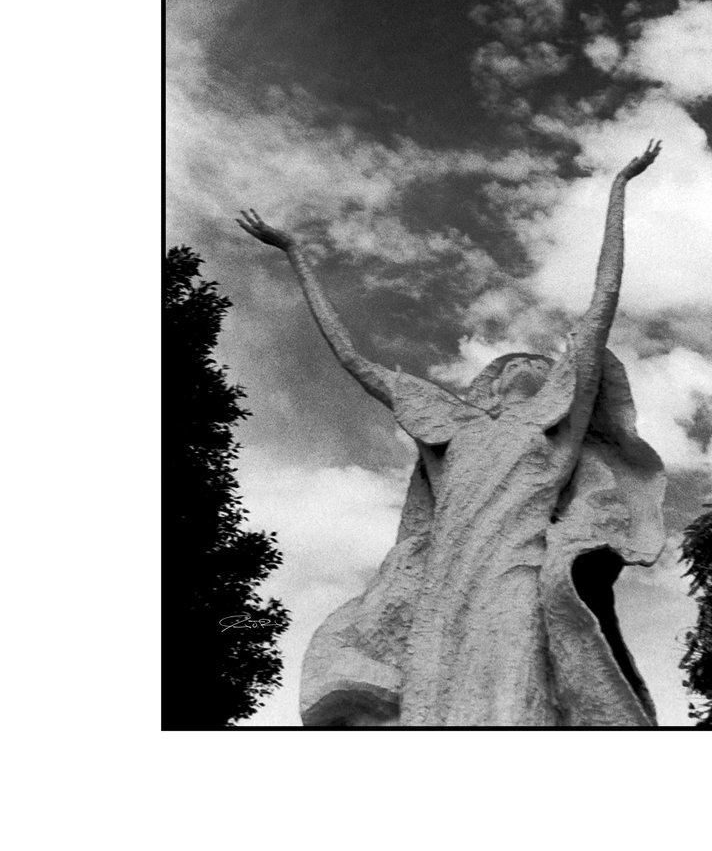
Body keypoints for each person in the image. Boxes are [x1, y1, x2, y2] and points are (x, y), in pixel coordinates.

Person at [238, 139, 666, 727]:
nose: (526, 364)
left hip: (515, 576)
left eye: (538, 363)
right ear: (489, 387)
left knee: (512, 702)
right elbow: (354, 360)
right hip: (442, 589)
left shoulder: (554, 435)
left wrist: (619, 186)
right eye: (512, 362)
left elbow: (601, 306)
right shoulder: (449, 432)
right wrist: (295, 254)